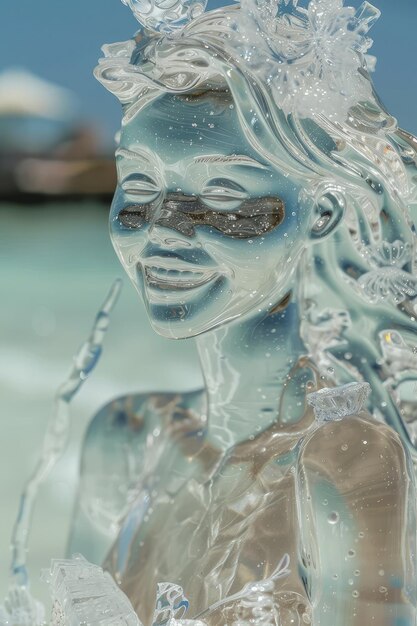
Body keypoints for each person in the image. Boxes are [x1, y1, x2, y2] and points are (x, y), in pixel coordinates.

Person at [69, 1, 417, 623]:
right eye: (141, 185)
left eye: (224, 192)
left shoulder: (346, 462)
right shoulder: (127, 437)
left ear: (323, 212)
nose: (164, 228)